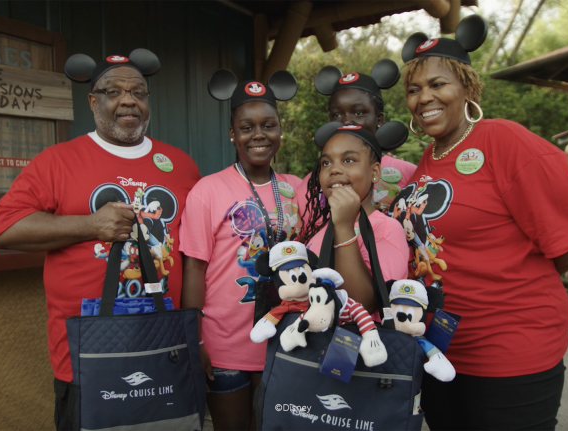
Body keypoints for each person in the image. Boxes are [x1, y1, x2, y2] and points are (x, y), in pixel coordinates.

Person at [388, 16, 568, 431]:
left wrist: (511, 283)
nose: (424, 97)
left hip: (510, 351)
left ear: (467, 87)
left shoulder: (505, 142)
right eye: (414, 89)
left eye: (438, 84)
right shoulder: (428, 160)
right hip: (439, 352)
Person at [0, 50, 201, 431]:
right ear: (93, 100)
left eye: (138, 91)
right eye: (114, 91)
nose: (128, 100)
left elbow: (195, 252)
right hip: (89, 349)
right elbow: (6, 228)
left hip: (164, 340)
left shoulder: (180, 164)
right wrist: (90, 226)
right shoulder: (57, 160)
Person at [179, 69, 301, 431]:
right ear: (233, 133)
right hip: (223, 346)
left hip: (284, 343)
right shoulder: (208, 190)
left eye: (269, 125)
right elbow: (194, 269)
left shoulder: (296, 188)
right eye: (246, 127)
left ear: (280, 130)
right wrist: (194, 338)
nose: (259, 135)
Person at [298, 121, 410, 313]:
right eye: (326, 162)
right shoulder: (322, 229)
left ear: (374, 172)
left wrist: (344, 227)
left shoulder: (385, 228)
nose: (334, 169)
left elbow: (364, 304)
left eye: (348, 160)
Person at [298, 63, 417, 217]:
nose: (347, 121)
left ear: (379, 118)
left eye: (359, 112)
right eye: (337, 115)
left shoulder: (408, 174)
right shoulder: (313, 183)